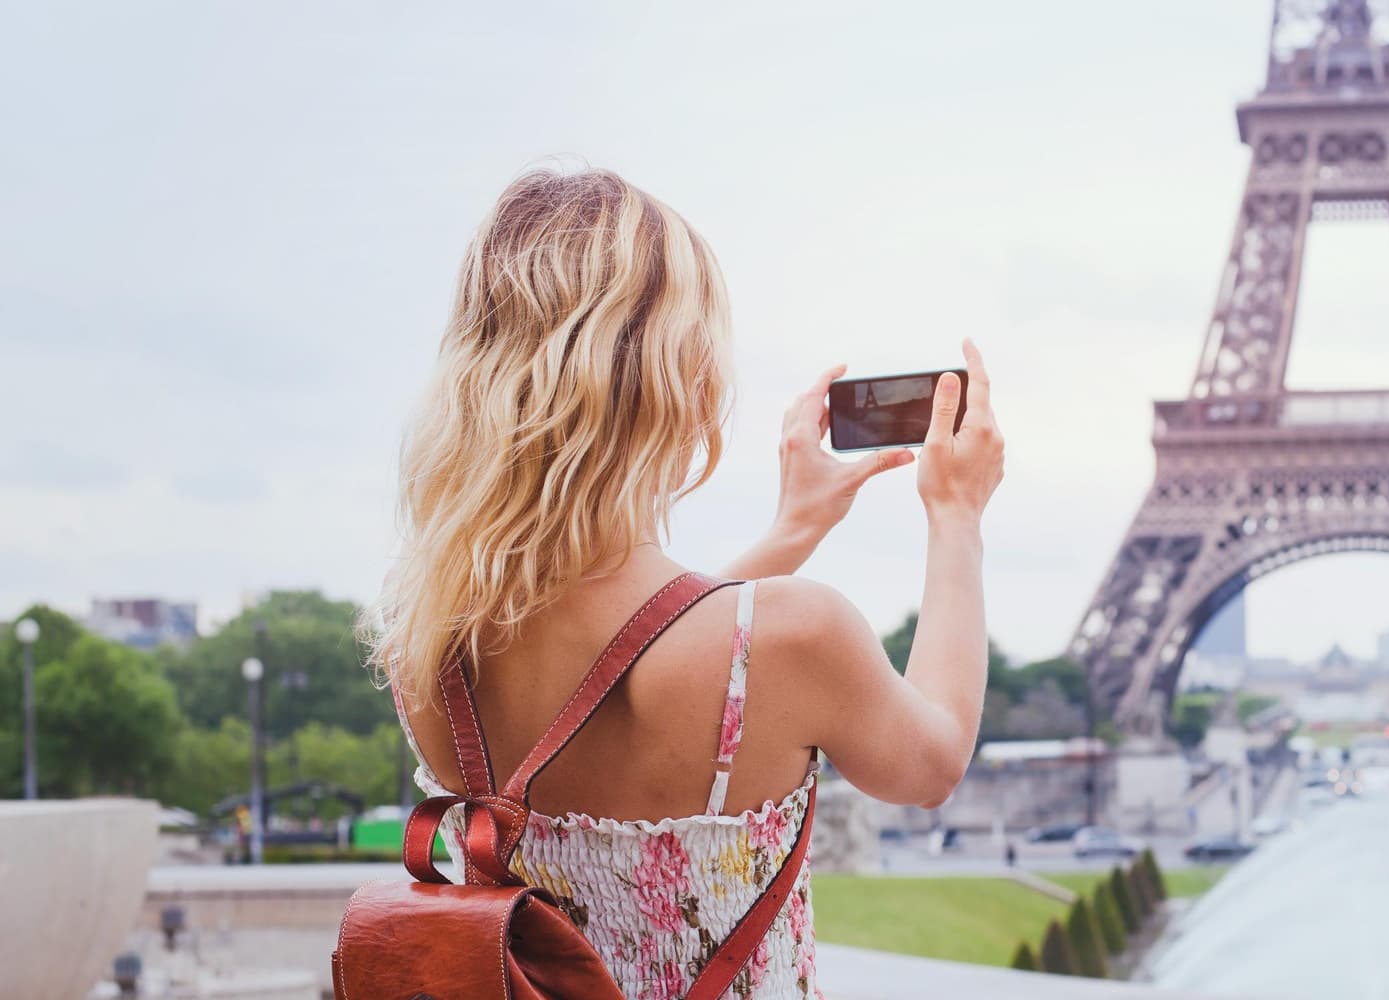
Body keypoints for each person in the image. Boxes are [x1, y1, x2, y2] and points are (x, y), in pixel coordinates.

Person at [366, 167, 1006, 998]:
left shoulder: (429, 647)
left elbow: (620, 669)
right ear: (686, 382)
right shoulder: (796, 636)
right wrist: (956, 518)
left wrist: (792, 532)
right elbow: (934, 760)